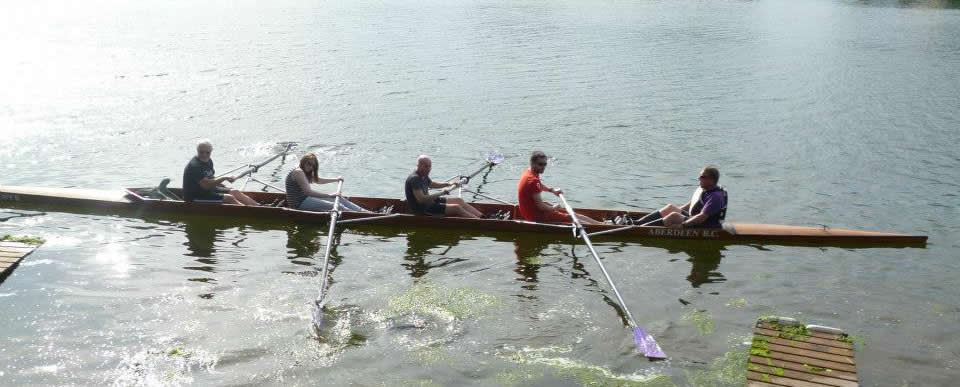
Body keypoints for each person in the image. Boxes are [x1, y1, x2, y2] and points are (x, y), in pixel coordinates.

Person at [516, 151, 600, 225]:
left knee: (571, 214)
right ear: (532, 163)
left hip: (533, 210)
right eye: (540, 164)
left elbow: (539, 186)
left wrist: (551, 190)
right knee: (572, 219)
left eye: (545, 164)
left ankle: (600, 224)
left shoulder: (530, 172)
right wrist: (553, 208)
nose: (543, 167)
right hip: (535, 216)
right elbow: (541, 206)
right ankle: (602, 228)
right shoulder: (532, 180)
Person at [634, 166, 728, 228]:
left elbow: (702, 217)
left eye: (702, 177)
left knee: (673, 216)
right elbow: (692, 204)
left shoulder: (715, 197)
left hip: (705, 225)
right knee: (670, 208)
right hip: (696, 218)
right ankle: (637, 223)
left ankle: (640, 229)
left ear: (711, 180)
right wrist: (675, 211)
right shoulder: (707, 190)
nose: (699, 179)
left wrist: (682, 225)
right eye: (700, 176)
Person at [182, 140, 260, 205]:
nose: (204, 155)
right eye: (201, 152)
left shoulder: (208, 161)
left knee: (235, 192)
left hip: (208, 191)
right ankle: (252, 212)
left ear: (211, 151)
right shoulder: (195, 166)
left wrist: (223, 186)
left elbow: (211, 179)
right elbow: (206, 185)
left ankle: (259, 207)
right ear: (197, 151)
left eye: (207, 152)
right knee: (229, 198)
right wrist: (224, 178)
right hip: (194, 197)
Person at [285, 153, 370, 212]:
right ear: (303, 162)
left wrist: (336, 180)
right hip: (299, 203)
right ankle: (360, 216)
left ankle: (363, 212)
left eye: (313, 166)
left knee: (339, 198)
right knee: (339, 206)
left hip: (305, 199)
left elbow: (317, 180)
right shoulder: (298, 172)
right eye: (309, 164)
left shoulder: (303, 170)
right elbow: (309, 192)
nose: (310, 167)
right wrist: (329, 195)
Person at [404, 155, 483, 218]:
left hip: (430, 202)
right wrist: (441, 193)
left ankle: (482, 217)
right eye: (426, 166)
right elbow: (421, 199)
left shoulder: (423, 175)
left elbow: (432, 184)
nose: (429, 169)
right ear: (419, 166)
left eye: (429, 166)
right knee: (457, 208)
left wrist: (449, 184)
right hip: (423, 209)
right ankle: (479, 222)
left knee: (459, 200)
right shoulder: (415, 179)